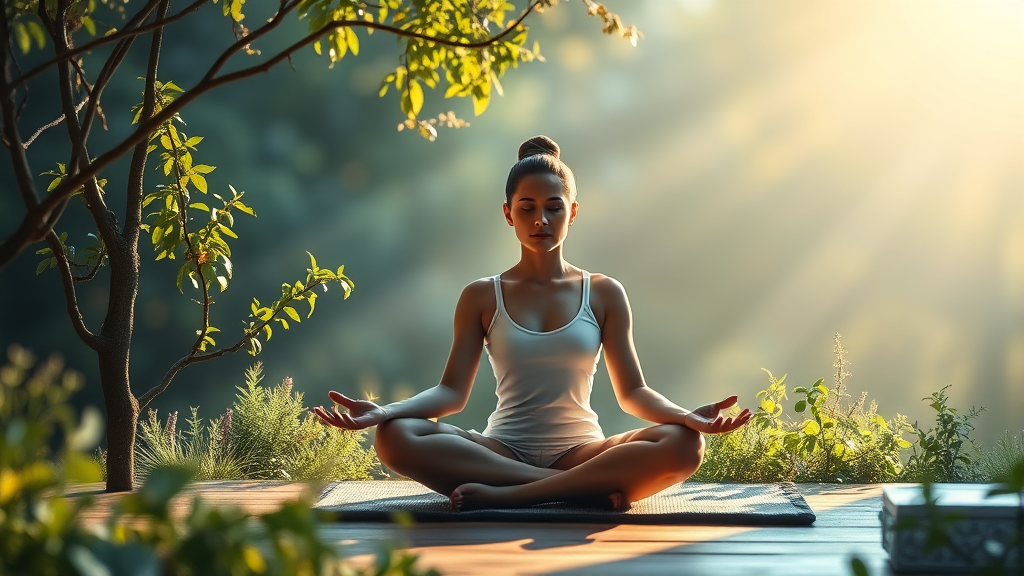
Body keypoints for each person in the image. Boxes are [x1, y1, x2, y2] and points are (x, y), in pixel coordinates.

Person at [313, 135, 752, 512]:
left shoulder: (604, 293)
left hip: (582, 453)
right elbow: (451, 393)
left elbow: (632, 393)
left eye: (552, 208)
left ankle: (514, 496)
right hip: (498, 450)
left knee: (685, 444)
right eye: (527, 208)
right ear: (508, 213)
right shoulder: (482, 295)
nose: (540, 220)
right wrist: (386, 411)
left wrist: (685, 416)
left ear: (572, 213)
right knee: (395, 436)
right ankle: (576, 494)